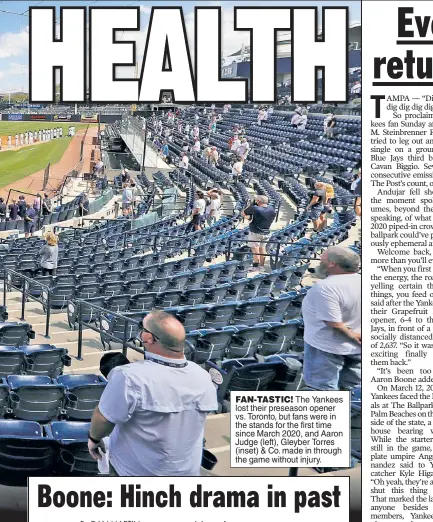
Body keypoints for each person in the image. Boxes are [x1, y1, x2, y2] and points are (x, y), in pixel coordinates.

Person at [87, 311, 218, 476]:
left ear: (148, 338)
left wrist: (94, 440)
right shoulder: (203, 376)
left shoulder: (128, 376)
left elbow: (104, 418)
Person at [301, 247, 361, 391]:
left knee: (323, 390)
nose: (320, 260)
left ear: (332, 263)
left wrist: (353, 337)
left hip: (327, 349)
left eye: (323, 258)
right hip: (357, 349)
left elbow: (334, 323)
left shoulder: (326, 288)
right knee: (351, 390)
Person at [242, 195, 276, 272]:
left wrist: (249, 216)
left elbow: (243, 213)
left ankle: (255, 266)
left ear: (258, 201)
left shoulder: (255, 208)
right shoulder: (272, 208)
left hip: (255, 232)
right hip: (266, 232)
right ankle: (261, 266)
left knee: (255, 249)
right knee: (262, 249)